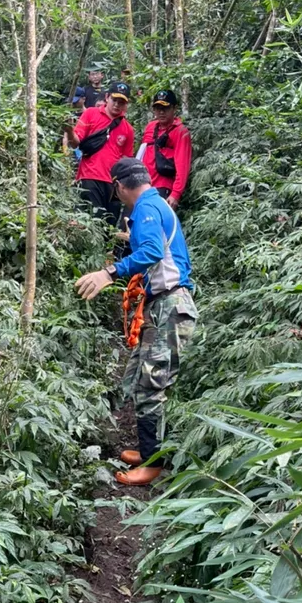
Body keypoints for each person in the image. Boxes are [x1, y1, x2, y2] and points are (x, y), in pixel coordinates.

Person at [75, 158, 197, 486]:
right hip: (165, 305)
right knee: (140, 376)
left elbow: (153, 251)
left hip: (171, 307)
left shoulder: (145, 208)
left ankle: (155, 464)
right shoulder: (154, 205)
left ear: (119, 185)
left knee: (151, 386)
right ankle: (148, 450)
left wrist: (108, 272)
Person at [65, 81, 135, 225]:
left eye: (121, 102)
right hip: (89, 177)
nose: (117, 104)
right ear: (107, 97)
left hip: (113, 184)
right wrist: (69, 130)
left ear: (126, 104)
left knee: (109, 225)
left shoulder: (128, 129)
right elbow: (75, 142)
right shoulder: (91, 114)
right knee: (89, 222)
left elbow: (126, 161)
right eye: (114, 100)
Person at [137, 89, 192, 209]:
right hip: (144, 185)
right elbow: (142, 154)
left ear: (174, 108)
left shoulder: (181, 131)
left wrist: (176, 194)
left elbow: (183, 165)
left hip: (163, 187)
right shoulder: (150, 127)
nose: (161, 112)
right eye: (157, 108)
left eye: (165, 108)